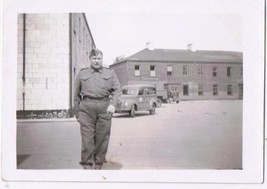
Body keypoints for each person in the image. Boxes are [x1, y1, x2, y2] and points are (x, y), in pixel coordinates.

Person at [73, 48, 120, 169]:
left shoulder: (110, 73)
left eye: (99, 58)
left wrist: (113, 104)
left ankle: (98, 164)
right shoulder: (82, 73)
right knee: (87, 139)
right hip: (86, 110)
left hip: (105, 108)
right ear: (90, 59)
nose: (97, 61)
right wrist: (77, 113)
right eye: (94, 58)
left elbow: (117, 90)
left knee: (102, 138)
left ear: (102, 59)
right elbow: (76, 95)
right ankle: (87, 166)